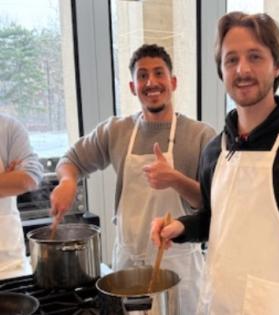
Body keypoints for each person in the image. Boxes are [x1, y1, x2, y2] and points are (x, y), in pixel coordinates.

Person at [151, 12, 279, 315]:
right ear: (221, 71)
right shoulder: (215, 150)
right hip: (220, 304)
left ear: (277, 65)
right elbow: (216, 220)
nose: (242, 69)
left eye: (255, 56)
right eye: (231, 59)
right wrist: (180, 227)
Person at [50, 44, 216, 314]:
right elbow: (71, 160)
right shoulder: (116, 131)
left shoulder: (200, 135)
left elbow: (210, 204)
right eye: (142, 76)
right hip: (128, 266)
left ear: (172, 82)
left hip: (179, 268)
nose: (151, 82)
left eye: (159, 73)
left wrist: (175, 179)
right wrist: (68, 182)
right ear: (132, 87)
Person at [0, 113, 43, 277]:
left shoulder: (8, 128)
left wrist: (16, 180)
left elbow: (28, 179)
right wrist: (6, 180)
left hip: (7, 265)